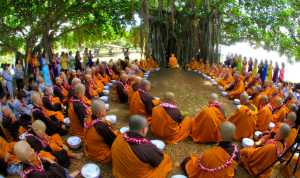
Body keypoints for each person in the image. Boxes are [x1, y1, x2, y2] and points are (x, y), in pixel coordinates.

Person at [13, 140, 79, 178]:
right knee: (59, 170)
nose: (33, 149)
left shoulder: (30, 160)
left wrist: (42, 160)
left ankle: (68, 175)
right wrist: (51, 161)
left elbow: (39, 162)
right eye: (31, 149)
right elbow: (51, 173)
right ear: (29, 159)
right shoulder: (34, 174)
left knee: (62, 169)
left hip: (45, 174)